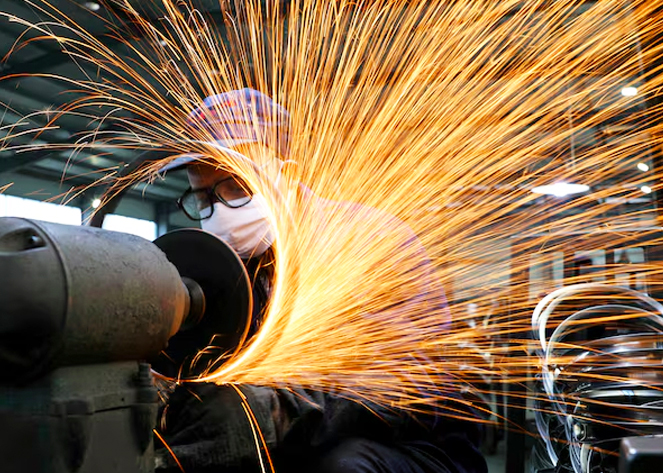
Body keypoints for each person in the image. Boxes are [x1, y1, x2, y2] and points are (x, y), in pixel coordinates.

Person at [154, 89, 488, 473]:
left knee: (341, 467)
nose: (218, 210)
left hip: (411, 447)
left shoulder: (366, 240)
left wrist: (284, 411)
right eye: (203, 197)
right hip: (301, 442)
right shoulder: (226, 269)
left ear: (288, 173)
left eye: (236, 185)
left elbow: (405, 379)